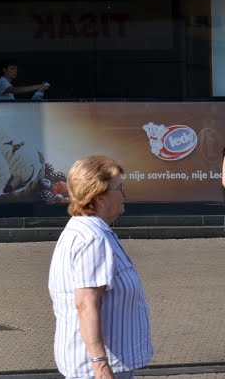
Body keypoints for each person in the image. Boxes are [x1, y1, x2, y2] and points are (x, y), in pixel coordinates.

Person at [48, 156, 153, 379]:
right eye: (119, 188)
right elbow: (86, 303)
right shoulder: (92, 239)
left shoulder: (88, 230)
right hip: (97, 369)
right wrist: (101, 366)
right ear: (100, 197)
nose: (124, 194)